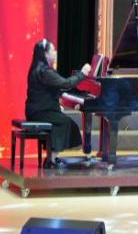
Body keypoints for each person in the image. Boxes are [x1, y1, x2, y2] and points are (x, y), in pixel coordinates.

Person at [24, 39, 91, 167]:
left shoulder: (38, 68)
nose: (55, 52)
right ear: (45, 54)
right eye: (53, 50)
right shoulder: (45, 71)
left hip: (38, 110)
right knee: (66, 123)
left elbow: (45, 92)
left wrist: (56, 105)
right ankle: (52, 158)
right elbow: (66, 84)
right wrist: (82, 73)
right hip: (40, 112)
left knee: (65, 121)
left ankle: (52, 156)